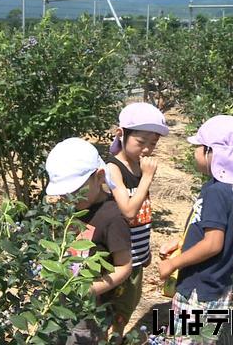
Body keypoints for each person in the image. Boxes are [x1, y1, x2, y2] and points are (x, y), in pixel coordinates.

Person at [158, 115, 233, 345]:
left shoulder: (216, 192)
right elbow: (206, 228)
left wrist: (172, 264)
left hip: (199, 289)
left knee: (186, 341)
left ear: (212, 153)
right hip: (217, 287)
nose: (195, 152)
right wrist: (180, 243)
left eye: (198, 147)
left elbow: (212, 243)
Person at [45, 137, 132, 344]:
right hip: (62, 299)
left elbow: (124, 266)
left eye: (75, 191)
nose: (69, 198)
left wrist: (90, 289)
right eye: (65, 193)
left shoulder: (113, 218)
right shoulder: (75, 208)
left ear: (99, 176)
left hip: (89, 312)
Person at [105, 102, 169, 337]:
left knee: (126, 308)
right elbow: (129, 211)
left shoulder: (139, 167)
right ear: (121, 134)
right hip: (117, 259)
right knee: (108, 310)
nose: (146, 150)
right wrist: (147, 179)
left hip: (137, 256)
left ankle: (117, 337)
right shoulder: (113, 169)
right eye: (140, 142)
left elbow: (143, 216)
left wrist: (145, 252)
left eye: (152, 144)